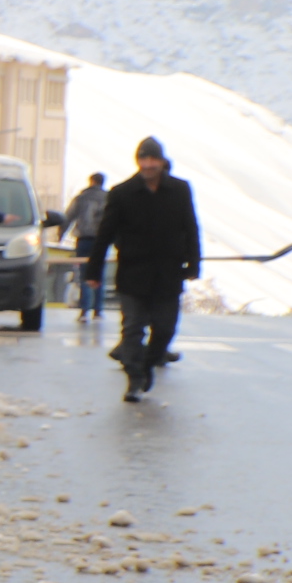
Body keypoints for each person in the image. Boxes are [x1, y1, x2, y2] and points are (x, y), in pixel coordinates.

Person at [93, 138, 200, 400]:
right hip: (133, 273)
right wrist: (93, 271)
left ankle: (147, 364)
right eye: (144, 159)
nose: (149, 164)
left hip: (168, 272)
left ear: (162, 161)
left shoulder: (180, 189)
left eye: (153, 159)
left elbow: (191, 226)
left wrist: (194, 263)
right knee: (132, 328)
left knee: (165, 329)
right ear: (138, 161)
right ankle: (134, 378)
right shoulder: (121, 193)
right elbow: (104, 234)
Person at [62, 170, 111, 321]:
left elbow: (68, 217)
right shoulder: (108, 198)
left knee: (84, 275)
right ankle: (98, 310)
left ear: (91, 181)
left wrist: (61, 233)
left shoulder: (81, 198)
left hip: (83, 239)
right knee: (99, 273)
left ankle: (84, 310)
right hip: (101, 241)